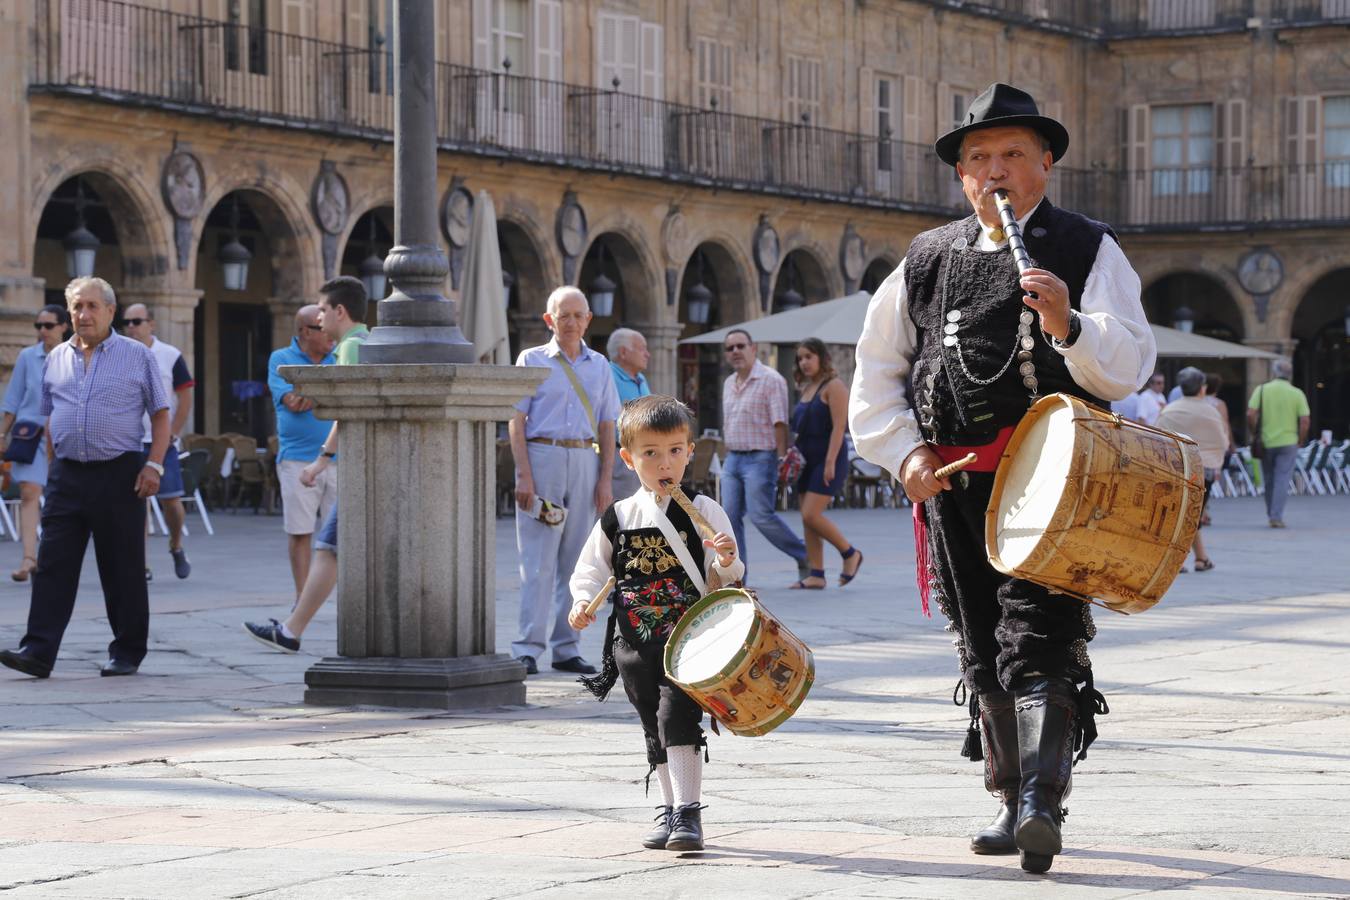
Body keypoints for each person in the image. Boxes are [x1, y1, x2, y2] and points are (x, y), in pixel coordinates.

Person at [848, 83, 1155, 874]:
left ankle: (1040, 804)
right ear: (960, 177)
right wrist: (906, 454)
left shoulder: (1086, 247)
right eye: (977, 158)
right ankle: (1008, 790)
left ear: (1044, 163)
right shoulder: (928, 258)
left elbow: (1129, 363)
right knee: (979, 636)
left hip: (1056, 479)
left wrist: (1069, 324)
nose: (994, 171)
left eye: (1011, 154)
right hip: (953, 482)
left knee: (1039, 631)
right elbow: (878, 370)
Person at [568, 395, 743, 853]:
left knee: (677, 715)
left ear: (688, 452)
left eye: (674, 450)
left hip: (690, 640)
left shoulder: (704, 510)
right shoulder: (619, 516)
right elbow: (591, 567)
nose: (665, 462)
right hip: (633, 639)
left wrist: (725, 558)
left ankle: (689, 812)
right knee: (652, 722)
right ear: (628, 458)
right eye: (651, 453)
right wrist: (583, 600)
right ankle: (669, 810)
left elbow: (727, 576)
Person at [0, 277, 171, 679]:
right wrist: (54, 465)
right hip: (68, 474)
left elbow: (161, 414)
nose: (84, 314)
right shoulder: (55, 358)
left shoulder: (136, 356)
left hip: (120, 472)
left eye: (93, 306)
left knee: (121, 565)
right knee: (53, 562)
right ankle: (38, 651)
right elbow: (49, 415)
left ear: (111, 311)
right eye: (77, 307)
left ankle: (127, 651)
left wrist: (155, 465)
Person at [243, 278, 368, 652]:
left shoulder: (349, 349)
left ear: (339, 312)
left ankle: (295, 630)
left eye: (323, 309)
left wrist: (322, 459)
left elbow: (347, 412)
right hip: (342, 460)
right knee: (332, 546)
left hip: (357, 465)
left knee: (332, 546)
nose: (320, 314)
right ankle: (294, 628)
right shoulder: (367, 341)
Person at [509, 286, 619, 676]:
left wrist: (604, 480)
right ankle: (527, 645)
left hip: (584, 458)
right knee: (536, 561)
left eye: (577, 315)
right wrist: (523, 475)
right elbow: (516, 421)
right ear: (548, 319)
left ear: (588, 319)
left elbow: (608, 425)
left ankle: (566, 646)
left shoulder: (600, 365)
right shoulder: (531, 359)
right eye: (563, 315)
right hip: (543, 457)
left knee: (577, 562)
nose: (570, 322)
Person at [720, 328, 808, 582]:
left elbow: (780, 423)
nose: (735, 351)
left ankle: (803, 554)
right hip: (732, 459)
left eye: (740, 346)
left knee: (761, 515)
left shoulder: (772, 380)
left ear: (753, 348)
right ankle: (738, 578)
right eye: (730, 348)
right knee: (729, 519)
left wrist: (781, 459)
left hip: (761, 457)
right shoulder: (728, 383)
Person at [266, 304, 337, 602]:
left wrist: (310, 391)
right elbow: (293, 401)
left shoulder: (339, 357)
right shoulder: (280, 359)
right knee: (300, 531)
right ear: (305, 332)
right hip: (297, 459)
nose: (330, 333)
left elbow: (304, 396)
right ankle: (302, 597)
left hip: (339, 458)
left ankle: (337, 595)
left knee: (340, 535)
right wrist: (330, 392)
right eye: (322, 327)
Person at [122, 303, 194, 581]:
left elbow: (185, 395)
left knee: (171, 501)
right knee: (136, 505)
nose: (131, 326)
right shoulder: (120, 355)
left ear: (151, 324)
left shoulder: (170, 355)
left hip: (161, 441)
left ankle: (176, 544)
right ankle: (141, 564)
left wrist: (174, 430)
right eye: (126, 321)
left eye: (137, 321)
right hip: (130, 441)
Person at [0, 305, 71, 582]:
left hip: (66, 436)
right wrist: (1, 434)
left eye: (48, 325)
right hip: (31, 436)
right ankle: (29, 557)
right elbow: (13, 399)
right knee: (29, 493)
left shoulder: (76, 356)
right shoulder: (27, 357)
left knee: (60, 499)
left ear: (64, 326)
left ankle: (54, 558)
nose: (42, 331)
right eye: (38, 326)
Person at [788, 338, 862, 590]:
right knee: (806, 518)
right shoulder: (807, 388)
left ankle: (850, 553)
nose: (804, 362)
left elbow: (840, 427)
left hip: (828, 457)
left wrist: (830, 462)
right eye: (800, 358)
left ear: (821, 357)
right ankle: (817, 574)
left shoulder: (835, 386)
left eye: (809, 356)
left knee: (812, 513)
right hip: (805, 460)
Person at [1156, 367, 1227, 572]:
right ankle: (1183, 560)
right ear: (1202, 389)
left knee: (1182, 514)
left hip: (1176, 468)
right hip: (1204, 470)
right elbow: (1221, 441)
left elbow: (1159, 436)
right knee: (1192, 516)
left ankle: (1199, 558)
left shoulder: (1170, 409)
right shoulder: (1211, 411)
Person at [1246, 358, 1309, 529]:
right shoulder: (1297, 393)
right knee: (1282, 479)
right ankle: (1276, 516)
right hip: (1288, 441)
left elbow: (1251, 413)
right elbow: (1304, 420)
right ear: (1290, 374)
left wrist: (1254, 432)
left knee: (1269, 479)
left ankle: (1271, 513)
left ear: (1274, 373)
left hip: (1266, 441)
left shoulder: (1262, 390)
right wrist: (1300, 439)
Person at [607, 327, 651, 500]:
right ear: (624, 352)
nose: (647, 354)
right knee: (621, 517)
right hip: (620, 460)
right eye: (642, 348)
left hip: (644, 456)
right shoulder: (607, 376)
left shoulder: (641, 378)